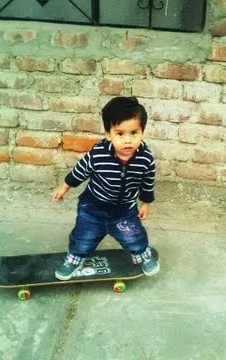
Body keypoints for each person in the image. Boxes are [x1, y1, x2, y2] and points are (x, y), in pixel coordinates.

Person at [53, 96, 159, 280]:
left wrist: (146, 203)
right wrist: (65, 186)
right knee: (84, 238)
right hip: (93, 208)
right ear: (109, 134)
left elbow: (147, 182)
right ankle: (75, 258)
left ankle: (142, 255)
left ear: (142, 131)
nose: (128, 140)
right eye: (120, 134)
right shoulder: (98, 153)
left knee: (134, 237)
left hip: (125, 210)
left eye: (134, 133)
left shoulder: (146, 159)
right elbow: (81, 170)